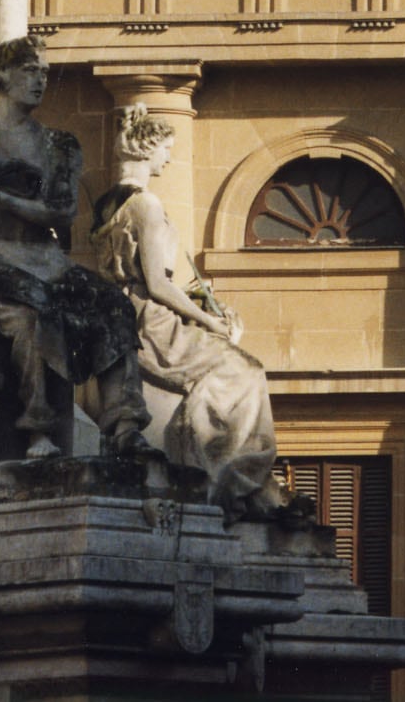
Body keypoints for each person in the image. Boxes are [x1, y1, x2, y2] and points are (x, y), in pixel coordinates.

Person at [0, 37, 149, 460]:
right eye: (29, 71)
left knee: (115, 305)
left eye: (44, 73)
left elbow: (60, 210)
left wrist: (6, 194)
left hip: (46, 259)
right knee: (36, 315)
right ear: (1, 77)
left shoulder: (60, 145)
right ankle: (37, 429)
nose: (40, 81)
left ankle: (124, 424)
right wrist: (24, 179)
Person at [86, 106, 299, 518]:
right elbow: (157, 283)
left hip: (128, 311)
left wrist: (195, 304)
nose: (168, 157)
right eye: (166, 148)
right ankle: (226, 477)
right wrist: (211, 322)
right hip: (152, 323)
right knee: (247, 370)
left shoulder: (107, 205)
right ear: (148, 149)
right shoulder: (145, 204)